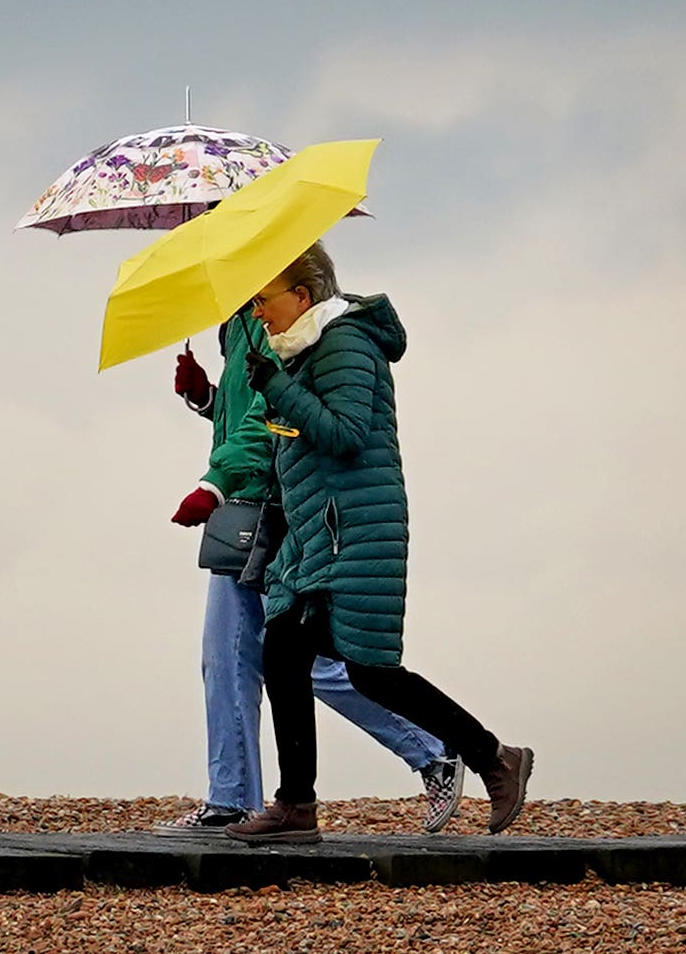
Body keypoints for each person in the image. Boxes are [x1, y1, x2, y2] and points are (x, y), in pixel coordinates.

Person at [225, 242, 533, 844]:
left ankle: (493, 758)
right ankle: (298, 806)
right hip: (320, 538)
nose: (258, 313)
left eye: (263, 300)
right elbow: (302, 438)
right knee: (295, 654)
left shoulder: (344, 342)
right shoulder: (302, 352)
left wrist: (279, 390)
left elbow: (345, 433)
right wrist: (256, 399)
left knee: (364, 670)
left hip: (356, 534)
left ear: (302, 295)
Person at [153, 306, 466, 837]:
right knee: (254, 657)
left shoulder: (274, 321)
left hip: (270, 507)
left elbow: (271, 419)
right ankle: (235, 798)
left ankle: (433, 750)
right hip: (255, 503)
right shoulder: (239, 323)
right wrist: (208, 399)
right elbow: (259, 416)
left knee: (278, 659)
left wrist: (215, 483)